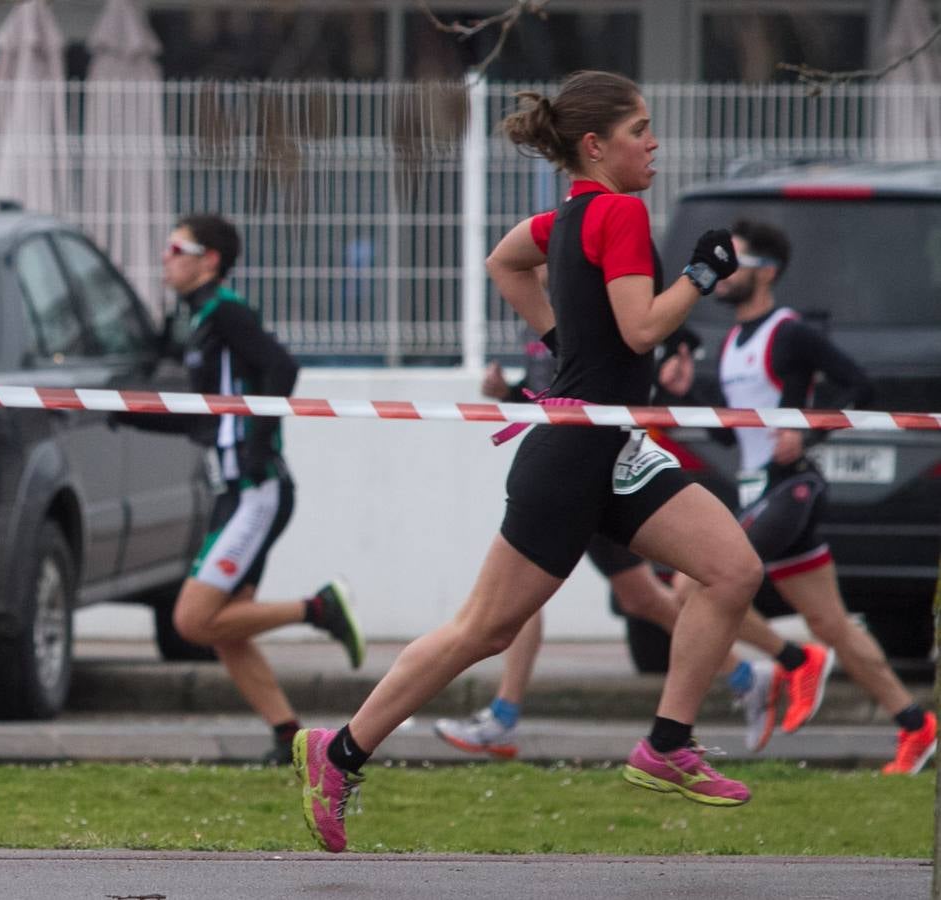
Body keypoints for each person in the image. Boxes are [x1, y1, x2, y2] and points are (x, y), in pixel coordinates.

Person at [294, 70, 766, 853]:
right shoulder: (614, 211)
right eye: (638, 130)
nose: (652, 143)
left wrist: (561, 344)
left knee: (731, 571)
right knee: (482, 630)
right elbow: (643, 329)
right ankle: (337, 752)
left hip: (612, 445)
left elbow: (502, 265)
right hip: (573, 456)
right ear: (594, 145)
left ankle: (666, 745)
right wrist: (700, 277)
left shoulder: (561, 220)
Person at [436, 328, 818, 758]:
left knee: (526, 594)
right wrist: (507, 390)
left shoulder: (581, 291)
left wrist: (680, 350)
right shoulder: (540, 313)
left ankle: (504, 717)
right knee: (639, 597)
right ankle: (751, 677)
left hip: (598, 470)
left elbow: (652, 320)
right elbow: (554, 401)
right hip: (566, 466)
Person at [708, 217, 932, 775]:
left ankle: (793, 660)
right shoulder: (733, 341)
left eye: (732, 259)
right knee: (832, 623)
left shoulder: (790, 332)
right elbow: (728, 430)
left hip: (792, 489)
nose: (720, 271)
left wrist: (807, 430)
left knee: (701, 583)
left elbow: (859, 386)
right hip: (757, 490)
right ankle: (915, 724)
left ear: (766, 271)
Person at [135, 214, 361, 766]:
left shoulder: (228, 313)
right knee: (225, 628)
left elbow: (281, 367)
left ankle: (319, 608)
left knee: (192, 621)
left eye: (176, 247)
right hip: (230, 489)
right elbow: (202, 419)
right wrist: (121, 414)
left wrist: (260, 443)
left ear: (209, 259)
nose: (165, 257)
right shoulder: (199, 320)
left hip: (255, 488)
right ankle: (289, 738)